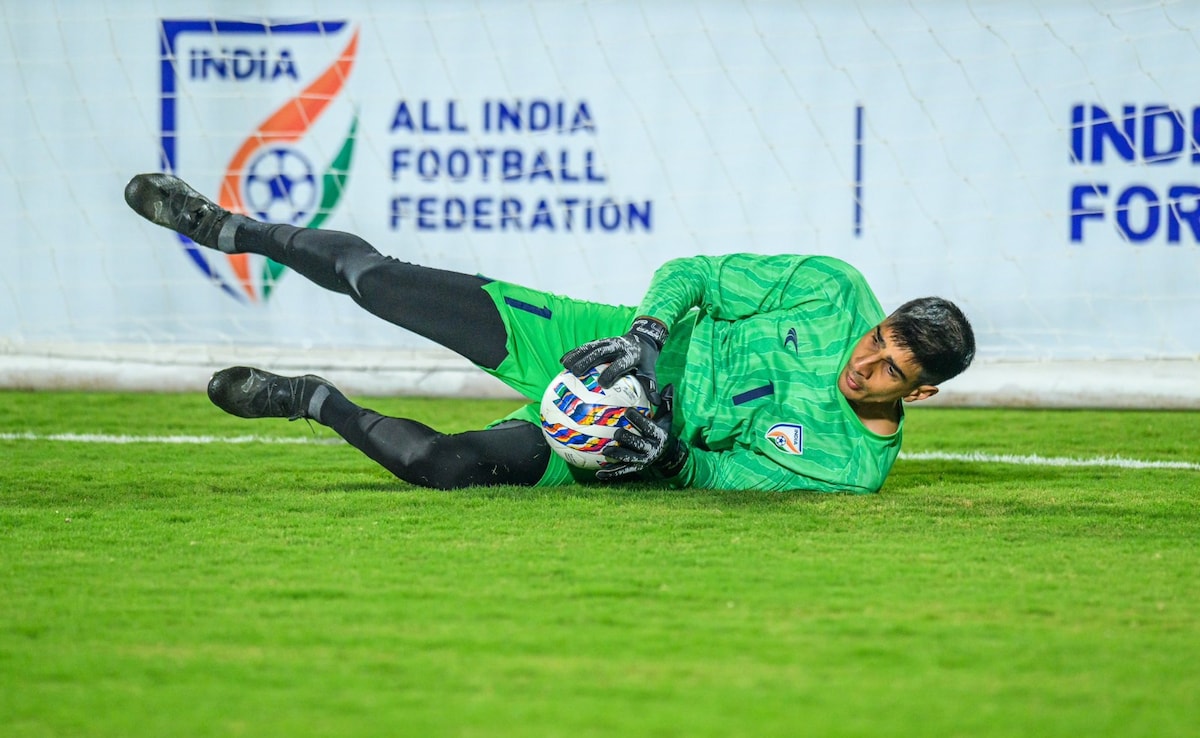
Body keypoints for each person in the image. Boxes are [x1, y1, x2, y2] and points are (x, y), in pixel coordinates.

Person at [124, 173, 975, 493]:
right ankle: (229, 225)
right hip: (594, 345)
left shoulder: (849, 467)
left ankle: (307, 401)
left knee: (439, 468)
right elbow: (698, 275)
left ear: (921, 391)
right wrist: (643, 339)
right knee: (379, 284)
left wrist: (668, 458)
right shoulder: (833, 292)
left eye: (891, 370)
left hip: (613, 443)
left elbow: (725, 473)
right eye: (877, 341)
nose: (867, 364)